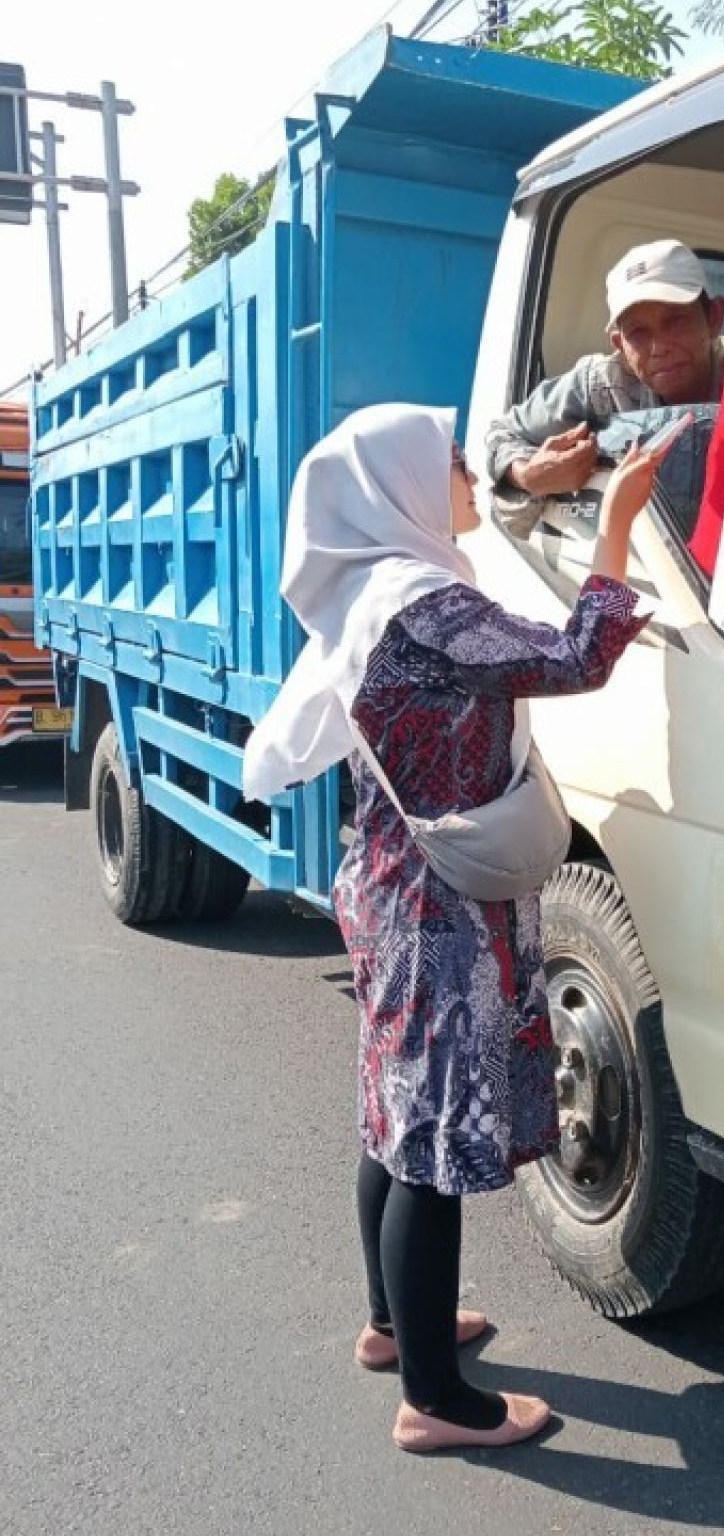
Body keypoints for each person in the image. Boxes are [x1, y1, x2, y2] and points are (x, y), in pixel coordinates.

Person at [242, 403, 659, 1454]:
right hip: (439, 908)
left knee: (391, 1112)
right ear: (402, 487)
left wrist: (539, 490)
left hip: (390, 877)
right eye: (455, 463)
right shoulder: (423, 605)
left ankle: (393, 1325)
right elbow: (576, 655)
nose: (471, 476)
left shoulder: (374, 591)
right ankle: (435, 1398)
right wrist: (613, 524)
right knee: (430, 1139)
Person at [485, 238, 724, 500]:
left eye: (676, 321)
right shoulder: (602, 384)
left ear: (714, 317)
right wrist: (528, 476)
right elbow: (504, 433)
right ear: (619, 345)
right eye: (638, 332)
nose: (659, 347)